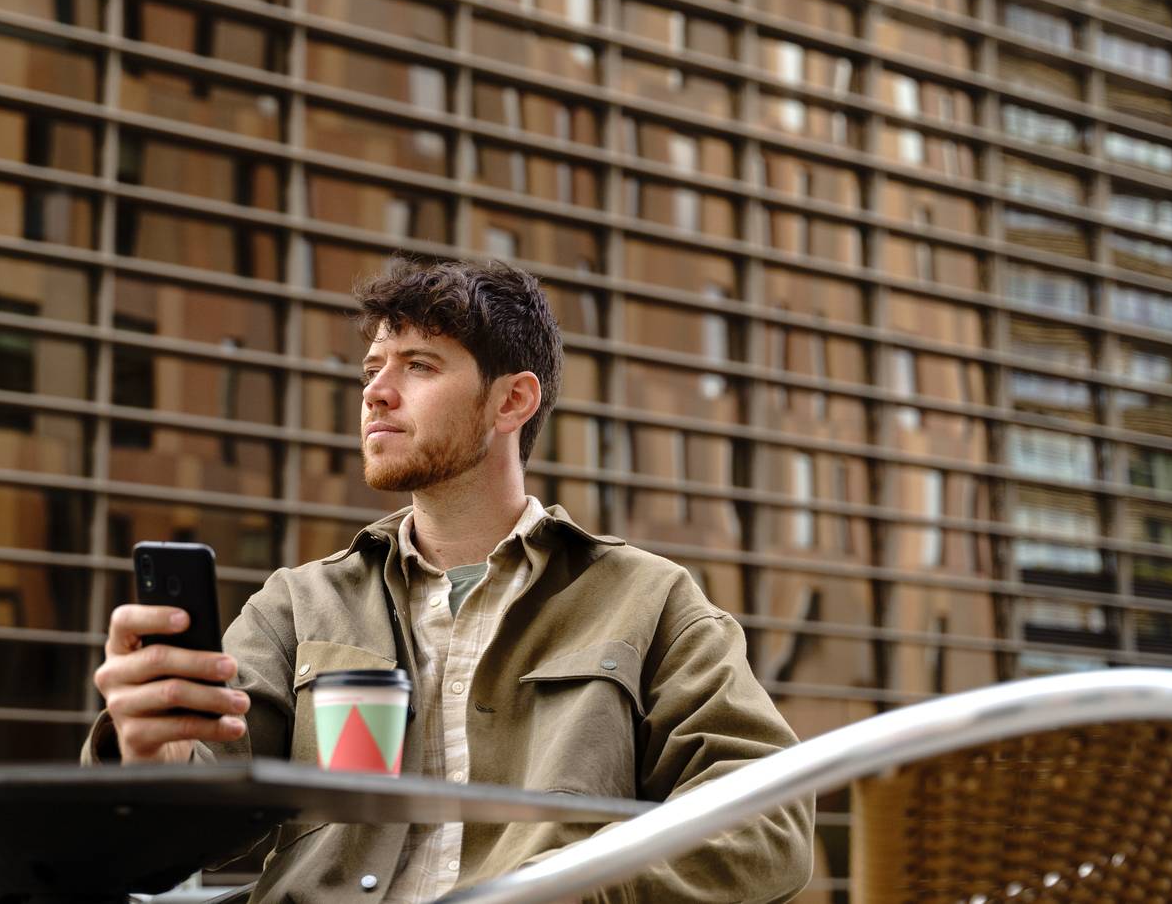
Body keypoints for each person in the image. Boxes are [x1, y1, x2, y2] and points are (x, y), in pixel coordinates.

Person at [84, 258, 813, 902]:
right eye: (372, 369)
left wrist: (579, 892)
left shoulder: (648, 600)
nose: (377, 392)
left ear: (511, 401)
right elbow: (159, 849)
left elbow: (766, 826)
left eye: (419, 366)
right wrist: (151, 756)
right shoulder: (299, 606)